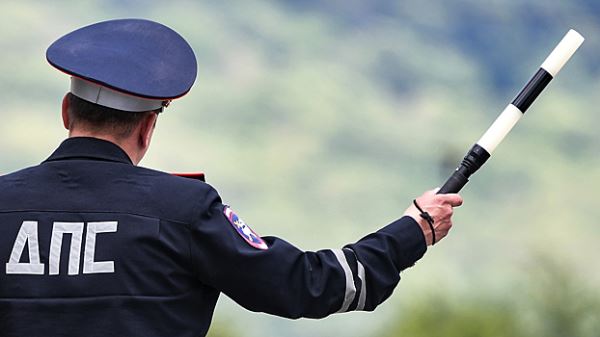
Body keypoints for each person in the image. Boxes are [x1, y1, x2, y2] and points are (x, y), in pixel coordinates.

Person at [0, 19, 463, 337]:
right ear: (148, 126)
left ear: (66, 112)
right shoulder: (184, 210)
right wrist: (412, 232)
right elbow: (310, 286)